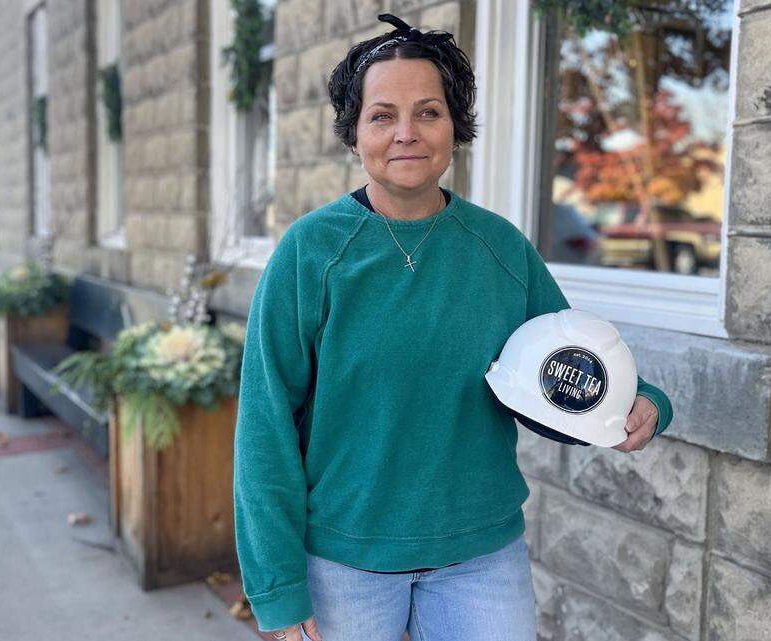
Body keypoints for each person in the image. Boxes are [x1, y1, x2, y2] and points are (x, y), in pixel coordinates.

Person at [232, 13, 674, 641]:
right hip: (344, 560)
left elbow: (563, 367)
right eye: (382, 115)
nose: (406, 133)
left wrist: (639, 402)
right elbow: (264, 425)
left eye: (428, 112)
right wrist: (276, 585)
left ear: (455, 126)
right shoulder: (311, 253)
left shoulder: (500, 248)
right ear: (354, 134)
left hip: (480, 558)